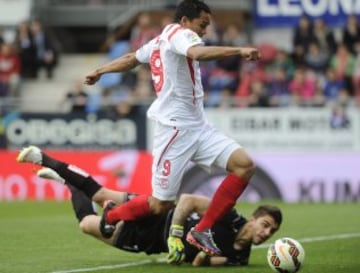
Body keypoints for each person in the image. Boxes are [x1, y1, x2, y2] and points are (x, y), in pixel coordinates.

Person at [84, 0, 260, 258]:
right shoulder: (181, 34)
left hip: (198, 127)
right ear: (186, 20)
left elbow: (132, 58)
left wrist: (101, 71)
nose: (204, 31)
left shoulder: (161, 39)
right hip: (175, 131)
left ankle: (203, 229)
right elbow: (197, 54)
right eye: (202, 24)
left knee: (244, 166)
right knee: (159, 205)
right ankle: (113, 214)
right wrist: (239, 50)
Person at [16, 145, 282, 266]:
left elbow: (200, 262)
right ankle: (46, 159)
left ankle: (69, 183)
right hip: (158, 213)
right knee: (99, 195)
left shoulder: (240, 258)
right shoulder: (228, 214)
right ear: (255, 217)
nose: (265, 233)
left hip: (149, 240)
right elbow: (188, 200)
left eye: (271, 232)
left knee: (87, 224)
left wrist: (208, 258)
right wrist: (178, 232)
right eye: (266, 225)